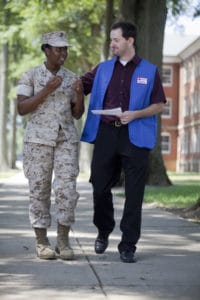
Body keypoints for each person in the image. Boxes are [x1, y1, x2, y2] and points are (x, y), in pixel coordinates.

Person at [80, 21, 166, 263]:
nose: (112, 44)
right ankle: (103, 229)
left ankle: (128, 245)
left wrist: (135, 114)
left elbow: (159, 104)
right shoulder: (103, 68)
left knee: (134, 193)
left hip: (135, 135)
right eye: (111, 40)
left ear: (130, 41)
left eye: (116, 39)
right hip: (107, 133)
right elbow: (79, 86)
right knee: (99, 186)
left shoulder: (150, 71)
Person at [17, 31, 84, 260]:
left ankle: (63, 241)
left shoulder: (72, 77)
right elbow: (22, 108)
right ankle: (42, 241)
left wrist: (80, 96)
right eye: (58, 49)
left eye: (65, 48)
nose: (63, 53)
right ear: (46, 49)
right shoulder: (30, 76)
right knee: (39, 190)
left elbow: (77, 114)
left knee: (67, 190)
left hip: (65, 139)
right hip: (37, 141)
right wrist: (46, 89)